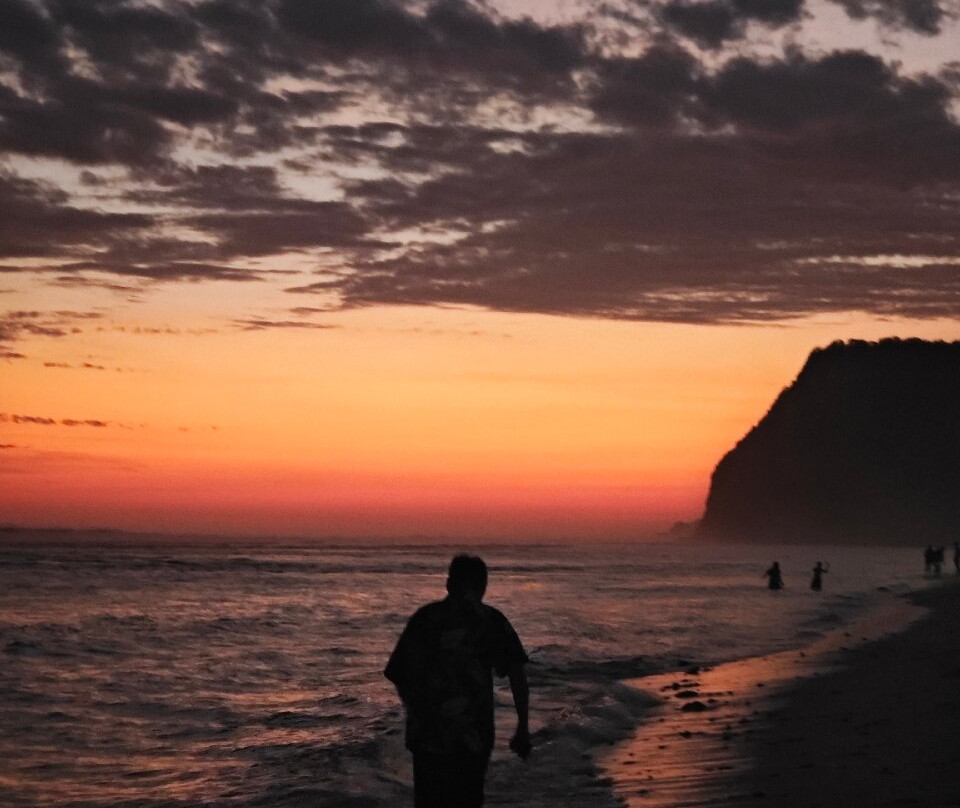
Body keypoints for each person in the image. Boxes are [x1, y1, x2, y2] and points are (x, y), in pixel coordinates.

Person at [385, 554, 530, 808]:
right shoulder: (491, 621)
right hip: (473, 737)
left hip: (428, 736)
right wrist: (523, 728)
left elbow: (398, 673)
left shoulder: (426, 618)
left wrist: (416, 710)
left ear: (449, 584)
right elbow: (517, 676)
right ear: (483, 586)